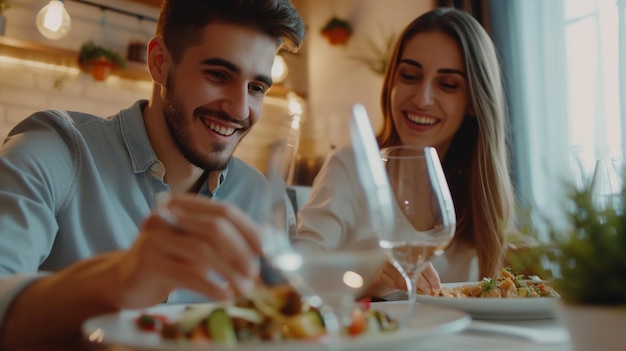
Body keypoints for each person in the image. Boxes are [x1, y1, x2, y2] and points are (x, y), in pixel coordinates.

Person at [0, 0, 305, 349]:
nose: (239, 109)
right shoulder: (54, 150)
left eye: (257, 88)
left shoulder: (261, 196)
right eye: (218, 75)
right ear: (159, 62)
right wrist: (119, 278)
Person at [293, 7, 516, 295]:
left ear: (474, 101)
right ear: (392, 84)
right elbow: (297, 274)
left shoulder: (476, 190)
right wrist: (372, 280)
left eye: (447, 84)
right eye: (410, 76)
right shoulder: (351, 168)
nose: (422, 98)